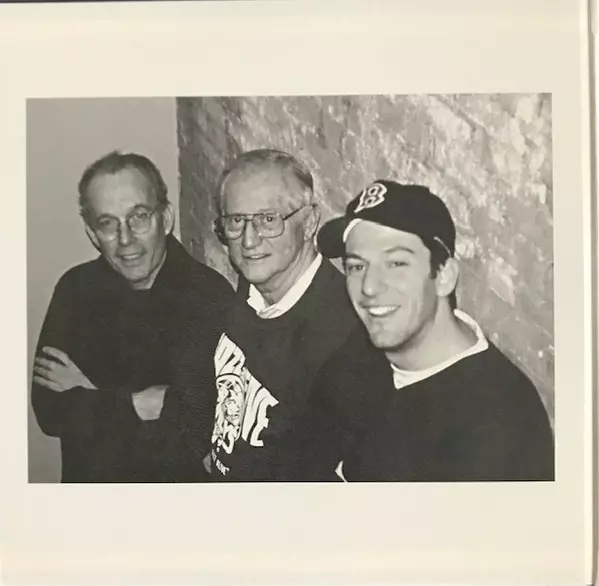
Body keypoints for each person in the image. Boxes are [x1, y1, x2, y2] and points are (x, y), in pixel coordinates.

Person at [300, 179, 554, 482]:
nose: (369, 287)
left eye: (396, 263)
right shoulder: (368, 346)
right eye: (357, 266)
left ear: (443, 276)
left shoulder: (498, 426)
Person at [31, 151, 233, 483]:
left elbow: (194, 437)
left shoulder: (209, 297)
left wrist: (90, 394)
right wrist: (138, 404)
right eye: (108, 223)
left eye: (139, 216)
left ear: (165, 219)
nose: (125, 239)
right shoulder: (75, 289)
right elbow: (49, 411)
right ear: (92, 234)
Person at [207, 148, 360, 481]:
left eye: (268, 220)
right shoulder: (256, 279)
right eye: (236, 221)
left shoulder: (342, 339)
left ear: (309, 222)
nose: (249, 241)